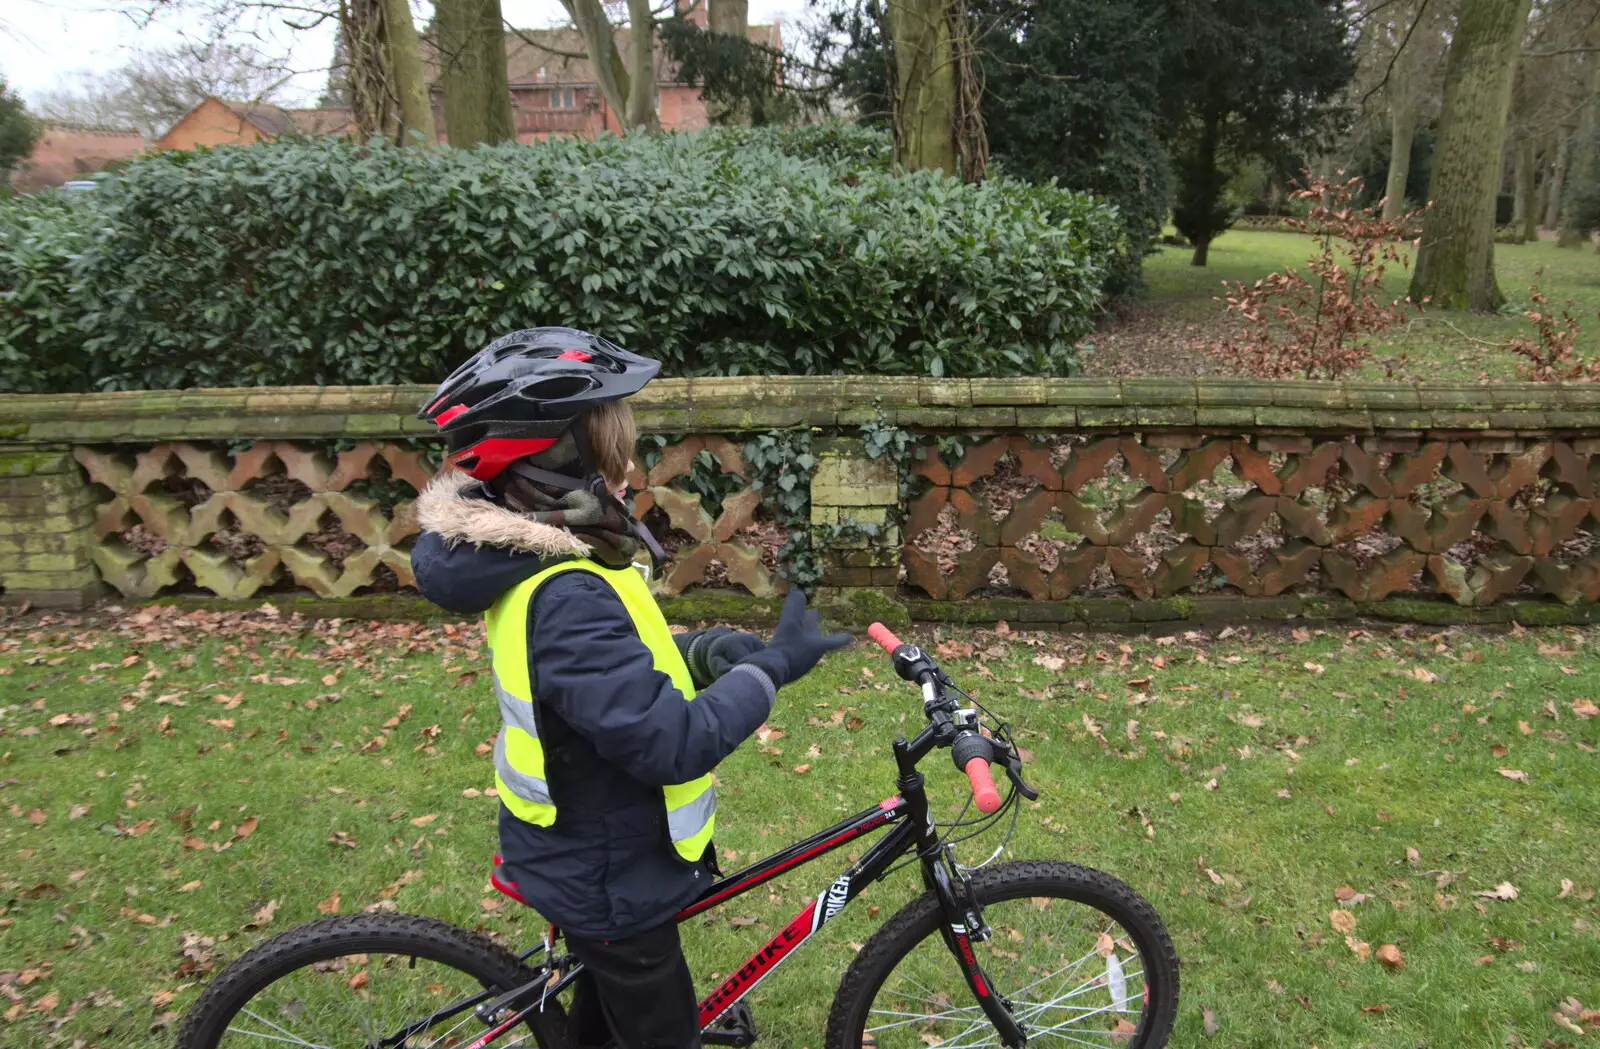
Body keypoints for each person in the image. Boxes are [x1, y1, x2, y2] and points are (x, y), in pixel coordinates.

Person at [410, 327, 851, 1049]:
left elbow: (608, 675)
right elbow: (669, 743)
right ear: (560, 460)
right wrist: (769, 670)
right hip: (606, 874)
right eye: (615, 451)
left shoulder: (547, 563)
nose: (630, 468)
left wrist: (705, 652)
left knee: (604, 1022)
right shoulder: (565, 590)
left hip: (592, 845)